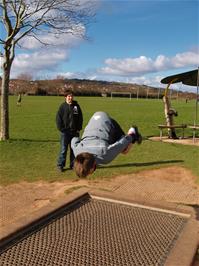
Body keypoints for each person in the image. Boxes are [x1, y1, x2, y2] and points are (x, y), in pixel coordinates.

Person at [71, 111, 142, 178]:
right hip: (94, 119)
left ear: (92, 167)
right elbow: (74, 139)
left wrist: (132, 137)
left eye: (89, 173)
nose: (89, 174)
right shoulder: (76, 151)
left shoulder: (105, 156)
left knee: (125, 150)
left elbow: (121, 143)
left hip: (108, 122)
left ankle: (133, 131)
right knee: (115, 145)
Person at [56, 90, 83, 172]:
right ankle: (60, 165)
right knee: (63, 149)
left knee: (73, 149)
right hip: (65, 132)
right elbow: (58, 119)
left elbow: (80, 118)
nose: (70, 97)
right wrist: (61, 129)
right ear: (65, 97)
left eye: (71, 96)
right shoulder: (62, 106)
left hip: (74, 132)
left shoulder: (76, 106)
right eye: (68, 96)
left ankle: (73, 165)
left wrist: (78, 128)